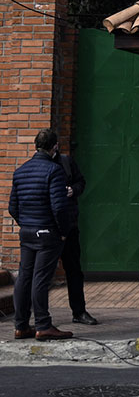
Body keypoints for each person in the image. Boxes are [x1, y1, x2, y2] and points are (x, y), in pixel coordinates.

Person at [7, 130, 74, 340]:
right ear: (54, 147)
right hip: (47, 234)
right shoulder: (54, 171)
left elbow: (12, 207)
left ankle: (20, 325)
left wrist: (26, 224)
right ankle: (43, 325)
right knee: (40, 279)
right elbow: (59, 208)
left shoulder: (20, 171)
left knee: (24, 277)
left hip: (27, 233)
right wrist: (63, 232)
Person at [54, 146, 98, 325]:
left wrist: (73, 190)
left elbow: (81, 182)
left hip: (70, 226)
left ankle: (79, 312)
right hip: (51, 229)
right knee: (40, 274)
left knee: (74, 271)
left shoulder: (66, 162)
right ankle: (37, 317)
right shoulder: (40, 164)